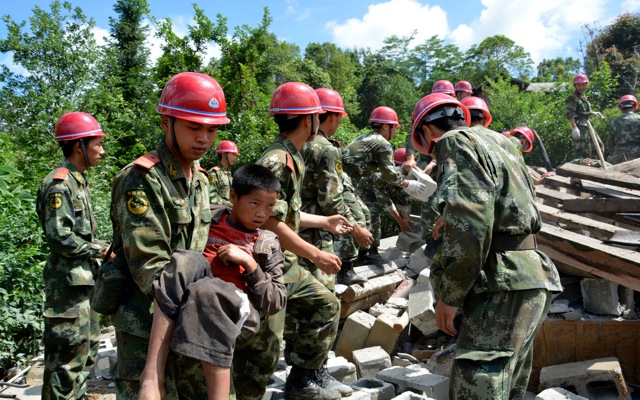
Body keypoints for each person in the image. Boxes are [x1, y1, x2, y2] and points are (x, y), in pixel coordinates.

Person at [410, 93, 562, 399]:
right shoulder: (502, 142)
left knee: (477, 386)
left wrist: (450, 295)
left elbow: (472, 225)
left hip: (501, 281)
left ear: (427, 132)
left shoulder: (452, 142)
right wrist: (448, 215)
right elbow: (508, 204)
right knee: (508, 386)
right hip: (532, 274)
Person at [109, 71, 230, 399]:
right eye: (194, 127)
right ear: (166, 123)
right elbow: (150, 267)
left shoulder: (201, 180)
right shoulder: (142, 180)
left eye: (212, 129)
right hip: (146, 324)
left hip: (191, 319)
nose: (205, 138)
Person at [234, 82, 351, 400]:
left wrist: (325, 222)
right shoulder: (278, 161)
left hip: (282, 257)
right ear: (308, 120)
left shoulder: (291, 157)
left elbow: (285, 217)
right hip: (266, 262)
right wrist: (315, 254)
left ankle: (304, 379)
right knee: (263, 350)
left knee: (323, 305)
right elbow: (268, 222)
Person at [138, 164, 287, 400]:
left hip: (239, 315)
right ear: (233, 196)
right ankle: (152, 375)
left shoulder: (267, 243)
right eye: (254, 203)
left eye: (270, 206)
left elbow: (276, 300)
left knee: (208, 289)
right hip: (194, 305)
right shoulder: (210, 218)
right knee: (186, 260)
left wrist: (250, 265)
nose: (262, 213)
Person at [37, 112, 110, 400]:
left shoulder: (79, 181)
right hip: (67, 288)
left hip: (83, 283)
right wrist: (100, 249)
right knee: (66, 361)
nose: (102, 150)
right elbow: (60, 237)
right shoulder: (60, 184)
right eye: (97, 144)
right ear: (79, 145)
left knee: (85, 354)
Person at [300, 87, 371, 287]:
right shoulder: (327, 149)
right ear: (332, 117)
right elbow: (332, 201)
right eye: (339, 117)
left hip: (298, 224)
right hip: (317, 232)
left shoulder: (301, 143)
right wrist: (356, 228)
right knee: (321, 292)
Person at [343, 106, 431, 265]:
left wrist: (406, 219)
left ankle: (366, 253)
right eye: (394, 128)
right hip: (350, 184)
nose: (396, 132)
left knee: (365, 216)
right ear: (385, 126)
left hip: (346, 180)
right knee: (363, 217)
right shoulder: (382, 144)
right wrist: (408, 184)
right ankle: (354, 260)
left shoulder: (369, 138)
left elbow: (401, 197)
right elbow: (387, 187)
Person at [566, 73, 605, 159]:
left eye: (583, 85)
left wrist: (592, 113)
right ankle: (582, 169)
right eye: (579, 85)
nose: (581, 87)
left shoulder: (582, 97)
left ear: (586, 84)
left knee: (598, 146)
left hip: (587, 124)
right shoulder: (573, 98)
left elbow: (583, 111)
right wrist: (574, 128)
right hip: (580, 127)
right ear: (575, 86)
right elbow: (570, 113)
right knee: (584, 151)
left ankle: (596, 166)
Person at [608, 94, 640, 164]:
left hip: (619, 156)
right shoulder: (638, 119)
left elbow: (610, 144)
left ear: (621, 108)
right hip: (637, 155)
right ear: (635, 106)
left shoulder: (614, 122)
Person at [208, 140, 240, 206]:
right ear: (223, 154)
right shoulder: (214, 173)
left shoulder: (228, 174)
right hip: (218, 212)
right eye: (233, 154)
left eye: (235, 155)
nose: (235, 158)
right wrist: (230, 205)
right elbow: (212, 197)